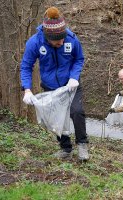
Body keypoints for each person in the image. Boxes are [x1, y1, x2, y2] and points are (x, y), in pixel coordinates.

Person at [20, 7, 89, 161]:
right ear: (48, 37)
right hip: (51, 87)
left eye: (63, 39)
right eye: (58, 41)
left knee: (77, 112)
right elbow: (26, 66)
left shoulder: (71, 39)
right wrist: (27, 89)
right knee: (57, 118)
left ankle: (82, 145)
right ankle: (66, 149)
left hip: (71, 85)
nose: (62, 42)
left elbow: (79, 59)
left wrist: (74, 77)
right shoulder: (35, 42)